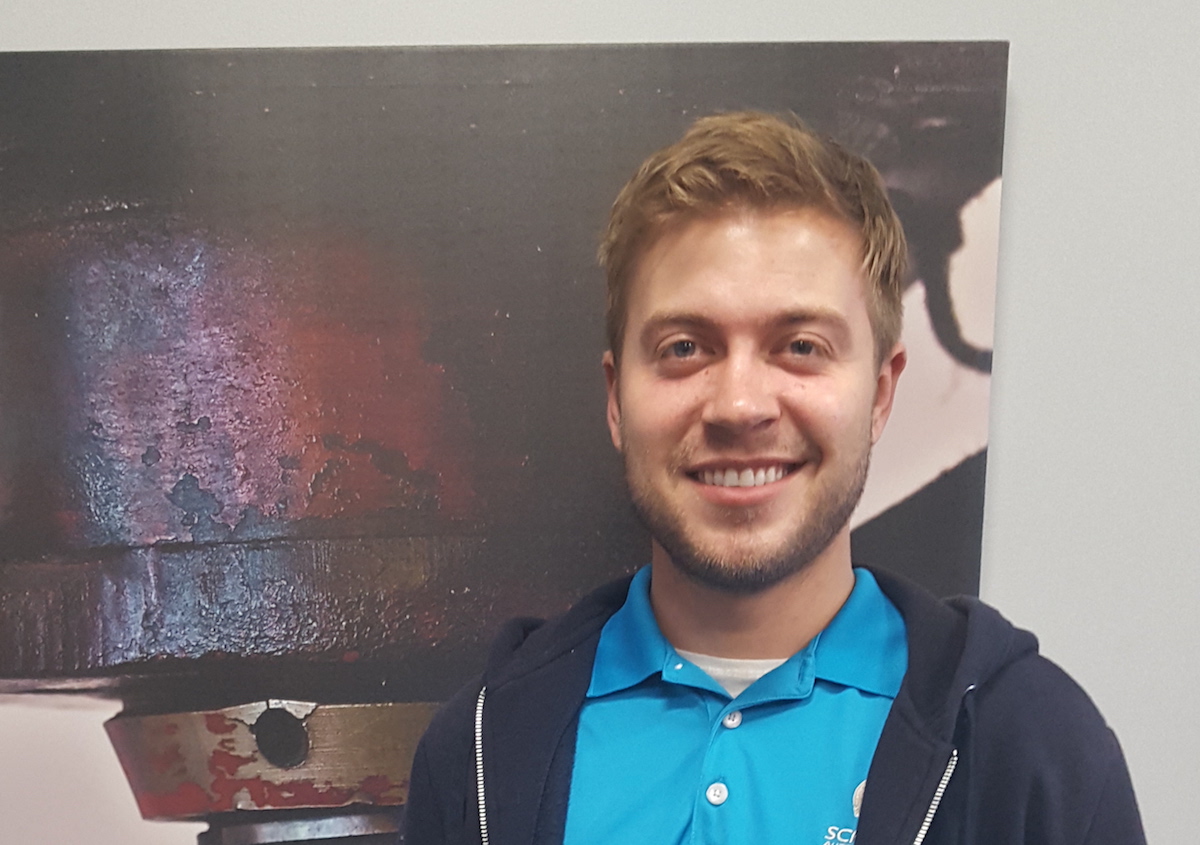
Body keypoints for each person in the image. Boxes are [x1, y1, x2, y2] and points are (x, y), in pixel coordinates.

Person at [403, 111, 1145, 845]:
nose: (740, 405)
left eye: (800, 345)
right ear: (616, 398)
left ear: (881, 392)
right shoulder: (478, 749)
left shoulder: (1035, 751)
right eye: (685, 346)